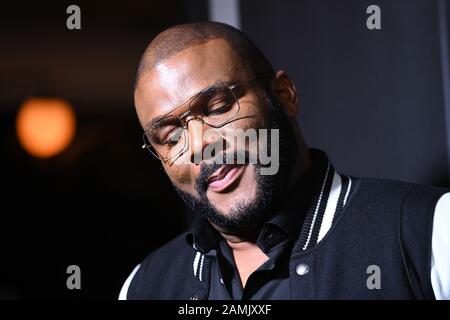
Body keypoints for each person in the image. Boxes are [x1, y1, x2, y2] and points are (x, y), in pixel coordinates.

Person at [119, 21, 450, 300]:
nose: (199, 144)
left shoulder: (431, 231)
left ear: (284, 95)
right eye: (171, 137)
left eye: (219, 107)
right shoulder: (143, 286)